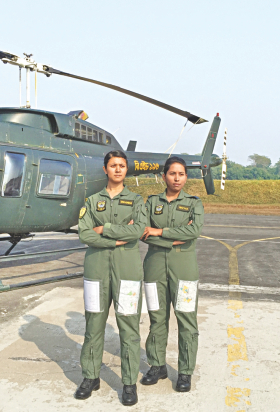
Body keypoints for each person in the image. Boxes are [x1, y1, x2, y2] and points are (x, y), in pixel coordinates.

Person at [75, 150, 147, 406]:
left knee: (128, 326)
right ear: (105, 169)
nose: (118, 169)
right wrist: (118, 238)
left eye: (122, 166)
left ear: (126, 170)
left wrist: (105, 230)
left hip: (127, 270)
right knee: (93, 323)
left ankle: (128, 383)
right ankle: (90, 376)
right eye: (113, 165)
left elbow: (138, 229)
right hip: (96, 270)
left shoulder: (137, 201)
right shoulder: (92, 201)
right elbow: (84, 234)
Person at [140, 156, 204, 392]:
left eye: (182, 174)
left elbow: (193, 231)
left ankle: (185, 371)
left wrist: (159, 233)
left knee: (186, 318)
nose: (177, 178)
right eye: (172, 174)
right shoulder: (151, 202)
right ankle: (157, 365)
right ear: (164, 176)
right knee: (157, 317)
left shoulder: (194, 203)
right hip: (154, 267)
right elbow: (142, 232)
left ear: (186, 177)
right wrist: (173, 237)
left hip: (184, 268)